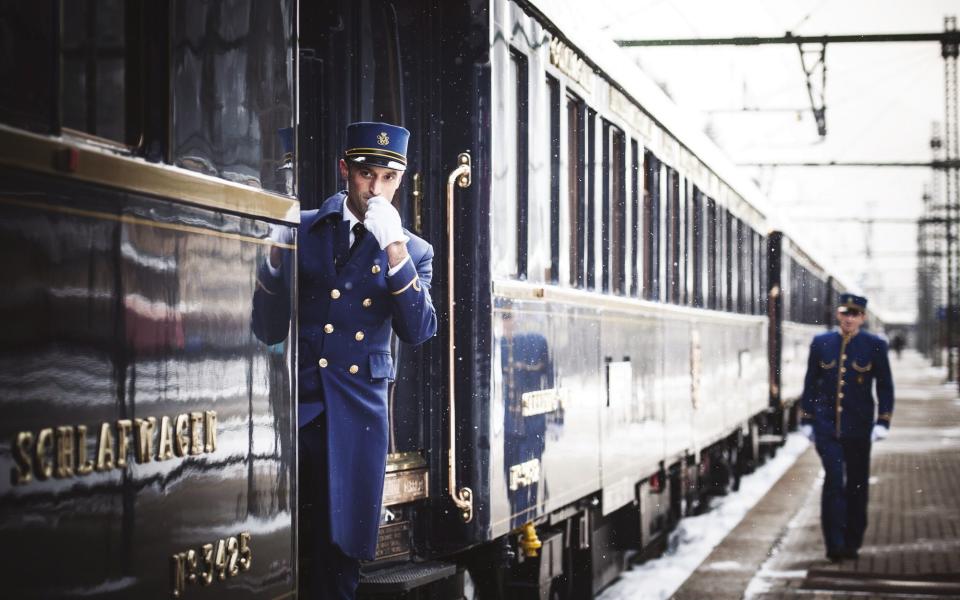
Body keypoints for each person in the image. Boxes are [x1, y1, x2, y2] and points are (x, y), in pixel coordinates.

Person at [253, 122, 437, 598]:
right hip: (300, 414)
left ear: (400, 179)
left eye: (388, 178)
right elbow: (267, 327)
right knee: (286, 546)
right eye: (365, 174)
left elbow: (418, 330)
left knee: (338, 559)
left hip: (358, 417)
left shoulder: (414, 251)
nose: (376, 189)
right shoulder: (306, 227)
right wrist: (272, 262)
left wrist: (394, 247)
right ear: (345, 170)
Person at [799, 293, 894, 562]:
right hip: (827, 428)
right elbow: (810, 383)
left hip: (859, 428)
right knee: (833, 482)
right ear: (838, 315)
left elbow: (885, 385)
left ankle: (852, 541)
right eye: (845, 313)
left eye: (855, 314)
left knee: (856, 486)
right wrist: (807, 419)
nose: (849, 318)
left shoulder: (874, 345)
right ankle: (834, 544)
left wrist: (883, 421)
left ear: (862, 318)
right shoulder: (821, 343)